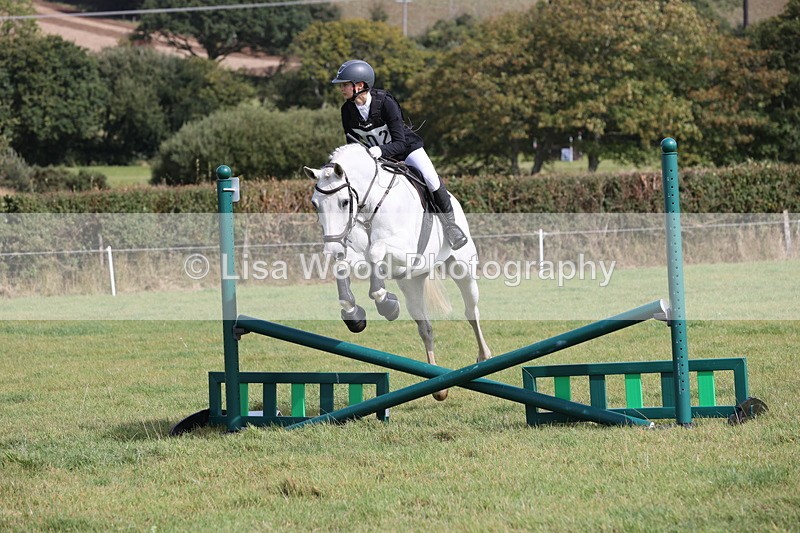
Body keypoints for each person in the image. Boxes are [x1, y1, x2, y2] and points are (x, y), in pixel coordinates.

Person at [331, 59, 468, 250]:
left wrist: (379, 150)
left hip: (406, 150)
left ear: (360, 85)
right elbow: (352, 146)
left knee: (430, 178)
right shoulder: (347, 111)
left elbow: (400, 142)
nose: (341, 89)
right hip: (378, 158)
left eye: (345, 84)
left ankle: (451, 226)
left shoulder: (385, 103)